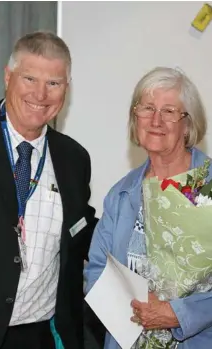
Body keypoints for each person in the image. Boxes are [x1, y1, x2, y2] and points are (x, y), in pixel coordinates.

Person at [84, 67, 212, 349]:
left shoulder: (207, 185)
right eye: (148, 108)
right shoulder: (123, 192)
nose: (156, 120)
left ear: (187, 124)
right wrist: (131, 308)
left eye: (169, 111)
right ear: (135, 118)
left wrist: (178, 314)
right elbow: (97, 269)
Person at [0, 31, 99, 349]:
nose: (40, 94)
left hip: (38, 336)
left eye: (53, 83)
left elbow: (82, 233)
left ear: (65, 89)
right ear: (8, 76)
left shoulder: (74, 159)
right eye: (29, 78)